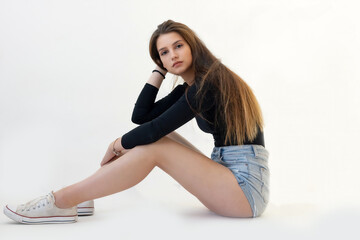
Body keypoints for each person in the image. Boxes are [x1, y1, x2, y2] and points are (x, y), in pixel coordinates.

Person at [3, 19, 269, 224]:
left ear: (193, 46)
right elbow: (142, 117)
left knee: (154, 143)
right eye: (163, 53)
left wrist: (118, 143)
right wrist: (158, 70)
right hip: (230, 177)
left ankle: (62, 200)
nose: (172, 55)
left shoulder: (209, 84)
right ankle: (81, 198)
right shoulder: (191, 86)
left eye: (178, 46)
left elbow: (155, 128)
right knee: (154, 138)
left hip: (245, 190)